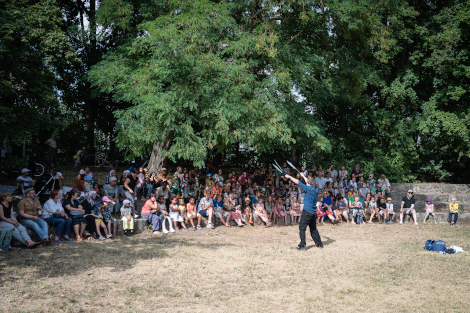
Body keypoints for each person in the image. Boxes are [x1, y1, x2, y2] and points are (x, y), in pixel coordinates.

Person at [284, 173, 323, 251]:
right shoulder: (316, 189)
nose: (306, 183)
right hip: (313, 213)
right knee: (313, 229)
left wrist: (289, 176)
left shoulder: (308, 189)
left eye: (307, 182)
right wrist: (303, 176)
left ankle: (302, 245)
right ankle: (319, 244)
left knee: (302, 227)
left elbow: (298, 182)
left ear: (308, 184)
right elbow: (309, 182)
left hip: (307, 212)